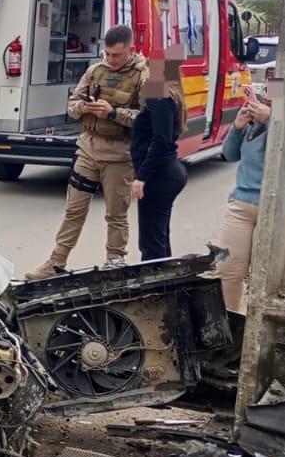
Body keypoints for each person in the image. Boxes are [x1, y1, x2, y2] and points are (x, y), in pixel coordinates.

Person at [26, 25, 148, 279]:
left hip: (119, 156)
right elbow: (71, 106)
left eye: (117, 55)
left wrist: (114, 113)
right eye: (107, 54)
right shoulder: (95, 71)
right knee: (73, 210)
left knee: (116, 215)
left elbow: (151, 121)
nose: (111, 60)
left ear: (130, 50)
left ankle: (115, 263)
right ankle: (56, 262)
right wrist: (83, 107)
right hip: (88, 149)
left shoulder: (146, 75)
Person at [216, 84, 272, 311]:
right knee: (227, 272)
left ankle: (258, 332)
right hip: (240, 206)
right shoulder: (253, 124)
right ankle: (230, 327)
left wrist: (272, 120)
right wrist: (238, 127)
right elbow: (229, 155)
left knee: (264, 277)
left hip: (272, 209)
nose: (263, 102)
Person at [130, 53, 188, 261]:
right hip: (168, 171)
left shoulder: (158, 96)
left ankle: (154, 288)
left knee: (151, 243)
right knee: (159, 237)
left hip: (159, 175)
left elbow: (161, 140)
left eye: (146, 69)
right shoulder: (171, 95)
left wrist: (142, 177)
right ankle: (166, 284)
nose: (143, 75)